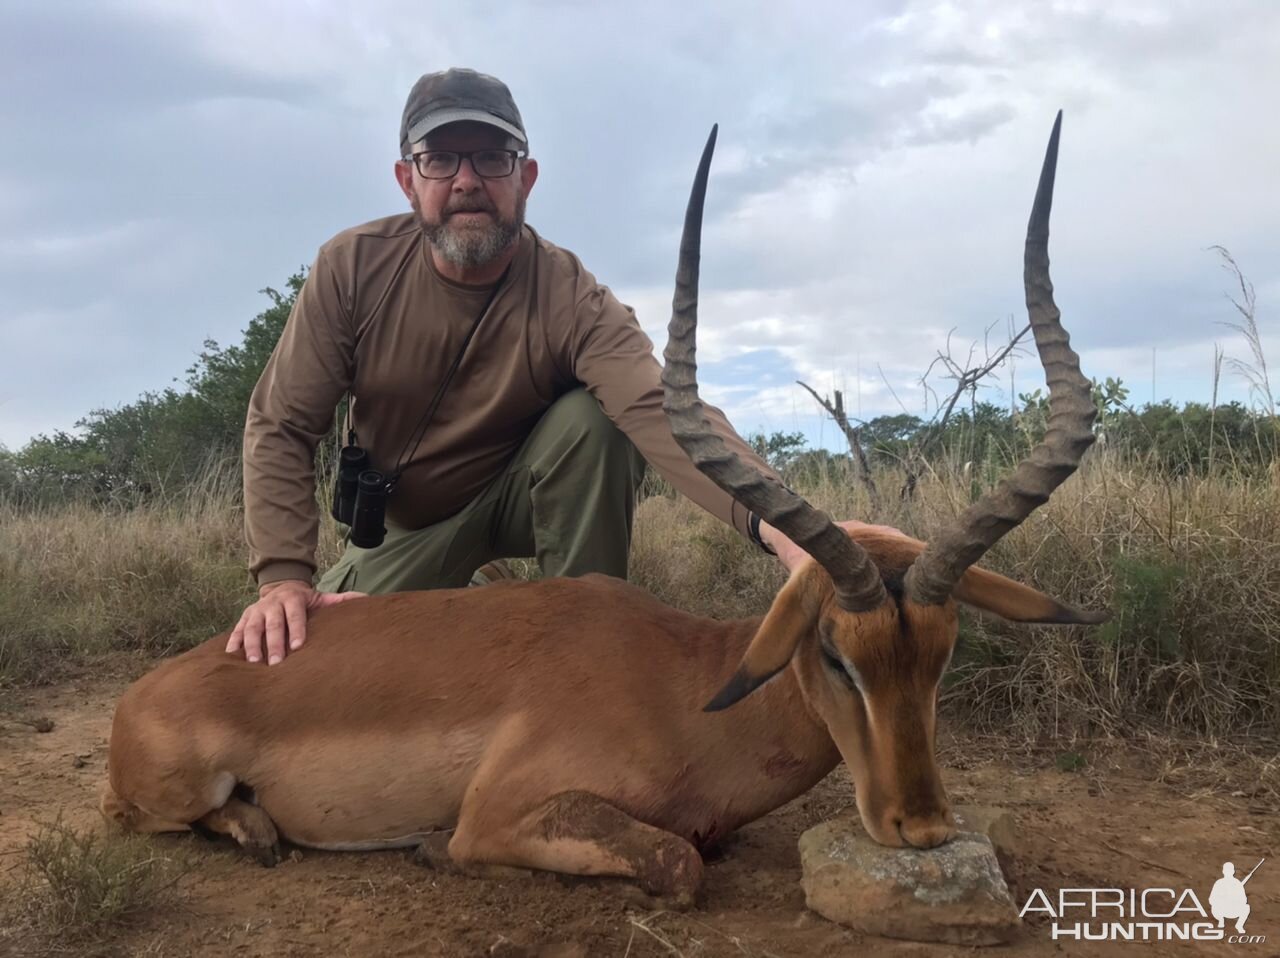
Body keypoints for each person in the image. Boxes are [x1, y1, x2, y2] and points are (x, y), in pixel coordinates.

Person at [228, 68, 854, 665]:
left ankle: (585, 653)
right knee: (315, 667)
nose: (467, 180)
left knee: (596, 421)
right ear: (406, 179)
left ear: (525, 177)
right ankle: (476, 602)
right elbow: (280, 425)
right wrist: (282, 579)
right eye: (440, 159)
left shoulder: (573, 295)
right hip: (411, 527)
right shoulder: (350, 268)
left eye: (492, 159)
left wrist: (790, 531)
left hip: (525, 500)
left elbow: (664, 413)